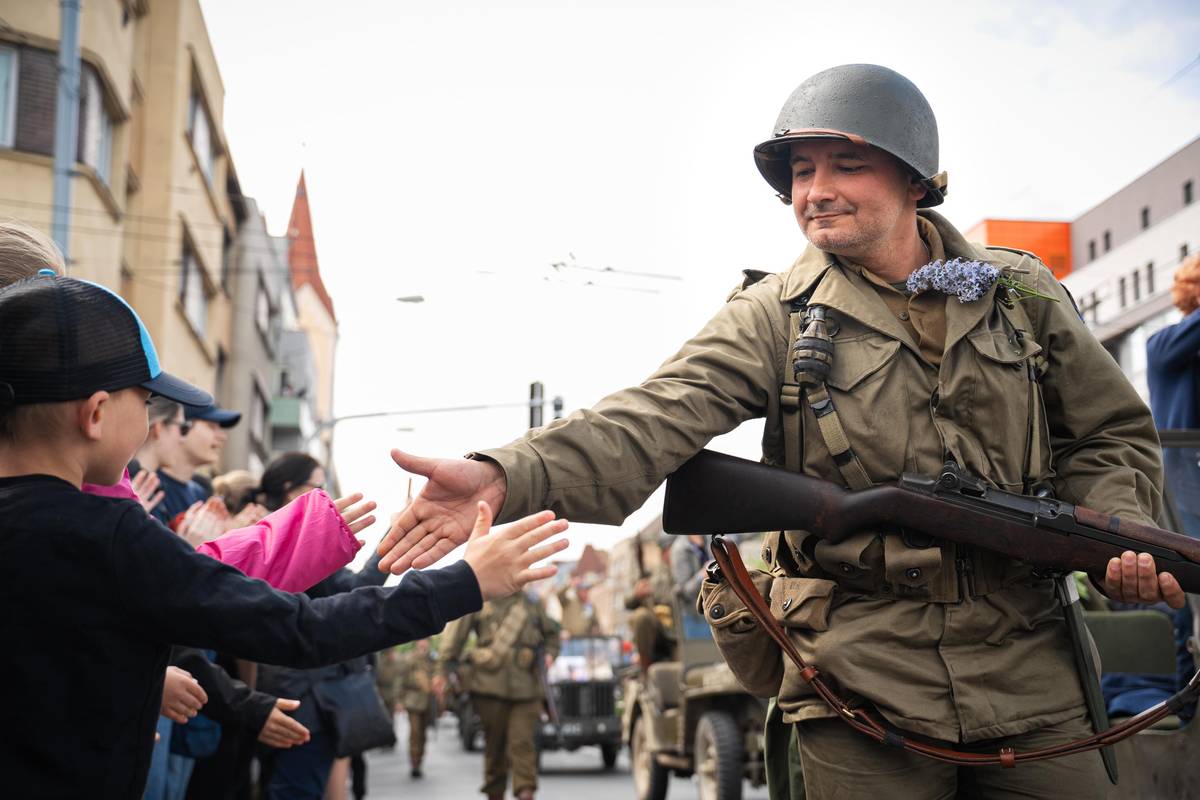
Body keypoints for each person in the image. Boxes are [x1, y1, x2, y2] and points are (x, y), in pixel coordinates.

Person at [374, 64, 1183, 799]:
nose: (815, 191)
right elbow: (653, 415)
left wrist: (1114, 533)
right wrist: (505, 474)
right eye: (801, 171)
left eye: (846, 165)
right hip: (862, 682)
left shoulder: (1017, 291)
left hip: (1032, 671)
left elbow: (1109, 431)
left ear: (913, 180)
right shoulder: (775, 315)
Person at [0, 272, 570, 798]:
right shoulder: (110, 536)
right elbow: (300, 628)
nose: (152, 422)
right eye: (146, 401)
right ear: (96, 414)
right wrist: (466, 582)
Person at [435, 590, 561, 800]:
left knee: (523, 743)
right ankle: (495, 791)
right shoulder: (480, 597)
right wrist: (442, 672)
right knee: (495, 748)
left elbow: (552, 634)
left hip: (526, 687)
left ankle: (525, 791)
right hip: (488, 686)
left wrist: (550, 654)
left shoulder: (531, 602)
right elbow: (455, 639)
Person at [624, 530, 676, 672]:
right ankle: (645, 670)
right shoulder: (652, 572)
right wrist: (637, 594)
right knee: (641, 616)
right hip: (658, 630)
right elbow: (626, 602)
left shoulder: (680, 568)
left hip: (680, 630)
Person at [397, 639, 435, 778]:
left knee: (423, 735)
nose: (423, 647)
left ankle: (419, 761)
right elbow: (400, 681)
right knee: (415, 733)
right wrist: (399, 701)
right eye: (421, 644)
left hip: (427, 702)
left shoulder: (432, 660)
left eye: (425, 644)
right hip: (413, 701)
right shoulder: (409, 660)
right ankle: (414, 764)